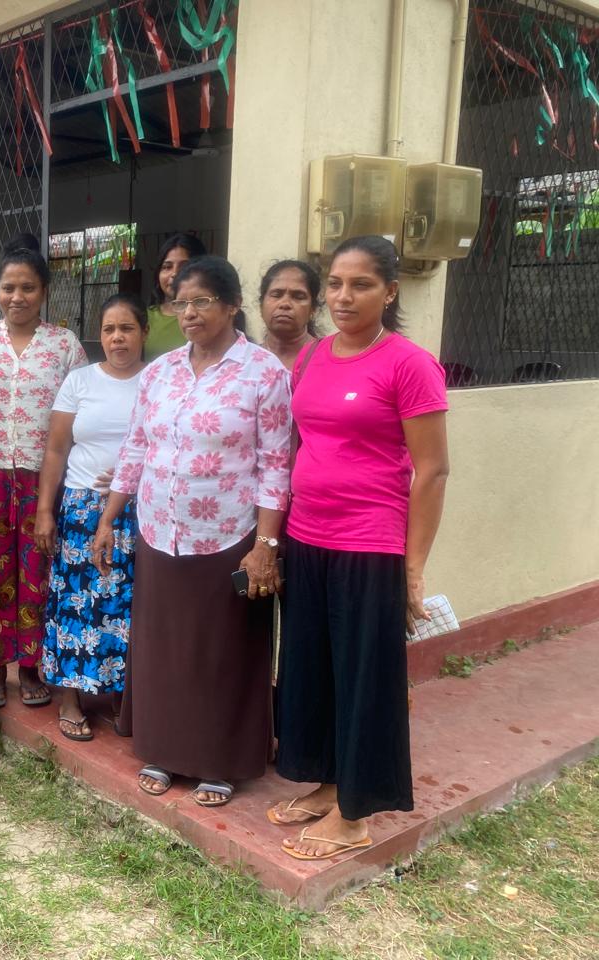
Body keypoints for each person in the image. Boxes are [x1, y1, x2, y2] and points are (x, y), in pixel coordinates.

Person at [270, 236, 449, 860]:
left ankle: (355, 816)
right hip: (307, 536)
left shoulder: (409, 364)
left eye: (361, 285)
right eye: (336, 284)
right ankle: (328, 783)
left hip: (370, 543)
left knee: (363, 676)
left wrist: (413, 567)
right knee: (313, 668)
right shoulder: (313, 356)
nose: (344, 297)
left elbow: (433, 471)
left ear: (390, 291)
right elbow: (303, 442)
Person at [95, 256, 291, 807]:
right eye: (181, 303)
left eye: (202, 301)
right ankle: (162, 749)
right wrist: (110, 517)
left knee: (220, 652)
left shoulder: (264, 373)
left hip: (228, 535)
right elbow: (136, 447)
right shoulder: (160, 372)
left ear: (232, 305)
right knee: (165, 648)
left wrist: (265, 545)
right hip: (161, 531)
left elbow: (277, 465)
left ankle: (218, 762)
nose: (189, 313)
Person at [0, 235, 88, 710]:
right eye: (8, 287)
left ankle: (32, 666)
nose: (17, 297)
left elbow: (81, 413)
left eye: (28, 288)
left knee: (39, 569)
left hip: (43, 479)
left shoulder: (64, 345)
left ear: (44, 292)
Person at [34, 294, 147, 742]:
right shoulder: (80, 381)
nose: (118, 338)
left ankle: (122, 693)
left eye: (127, 328)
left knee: (127, 603)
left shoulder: (159, 380)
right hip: (81, 507)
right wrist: (45, 509)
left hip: (140, 510)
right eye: (109, 329)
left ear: (143, 332)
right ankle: (70, 697)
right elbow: (56, 449)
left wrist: (132, 477)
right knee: (76, 601)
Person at [146, 233, 206, 358]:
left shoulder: (207, 317)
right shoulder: (143, 318)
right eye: (167, 267)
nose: (174, 273)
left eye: (184, 266)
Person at [259, 260, 321, 370]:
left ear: (313, 309)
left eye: (298, 297)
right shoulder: (245, 361)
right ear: (261, 305)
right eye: (276, 295)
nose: (285, 304)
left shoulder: (326, 359)